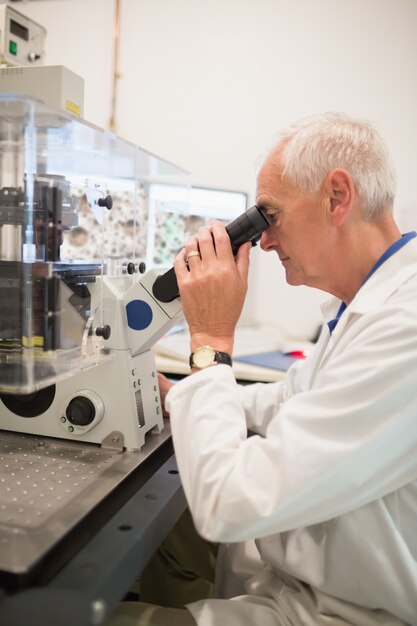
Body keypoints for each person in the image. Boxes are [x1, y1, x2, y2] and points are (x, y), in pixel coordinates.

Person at [110, 112, 417, 625]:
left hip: (332, 612)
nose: (265, 241)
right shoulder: (366, 305)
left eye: (270, 216)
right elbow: (288, 403)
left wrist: (209, 339)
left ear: (337, 197)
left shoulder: (404, 329)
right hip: (295, 572)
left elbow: (226, 503)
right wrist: (171, 393)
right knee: (159, 531)